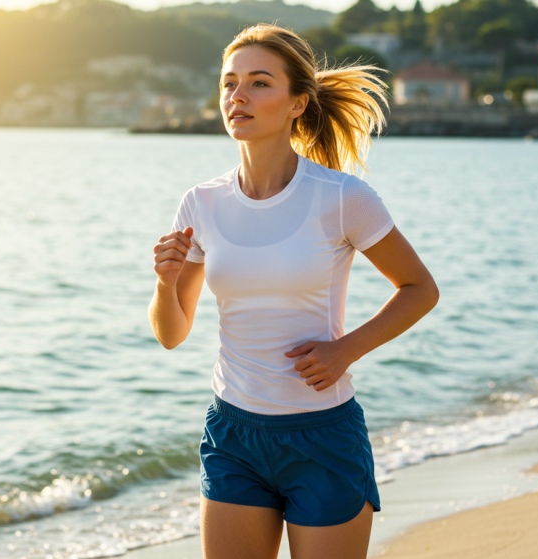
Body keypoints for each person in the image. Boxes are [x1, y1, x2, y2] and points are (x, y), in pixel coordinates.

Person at [147, 23, 439, 559]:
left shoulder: (342, 197)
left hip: (322, 436)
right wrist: (166, 287)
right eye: (229, 83)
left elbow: (420, 288)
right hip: (234, 434)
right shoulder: (201, 203)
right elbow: (171, 334)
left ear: (297, 103)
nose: (238, 95)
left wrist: (347, 348)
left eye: (259, 83)